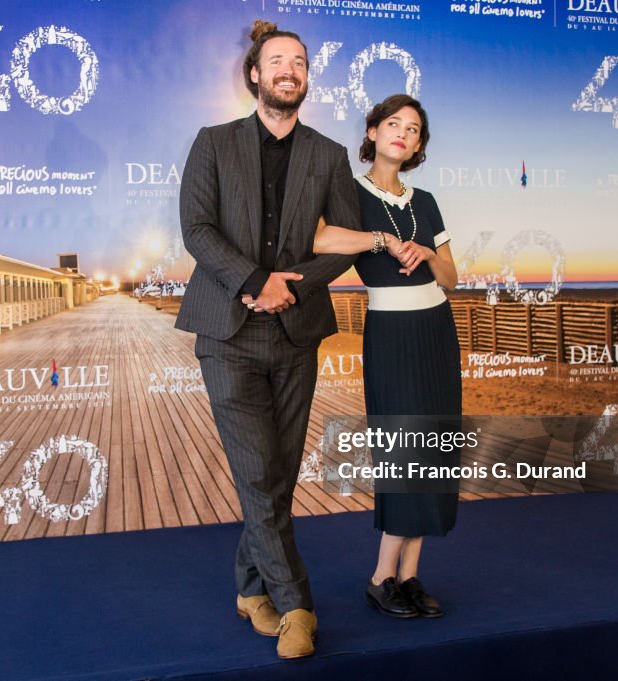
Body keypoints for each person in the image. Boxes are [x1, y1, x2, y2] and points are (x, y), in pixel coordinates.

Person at [176, 20, 361, 659]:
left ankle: (249, 588)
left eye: (300, 62)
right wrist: (256, 280)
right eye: (277, 60)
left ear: (306, 78)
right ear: (255, 74)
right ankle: (296, 605)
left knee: (275, 473)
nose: (289, 70)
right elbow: (196, 229)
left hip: (295, 332)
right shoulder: (213, 142)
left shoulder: (329, 154)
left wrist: (292, 286)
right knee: (258, 471)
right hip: (227, 330)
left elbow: (343, 240)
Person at [313, 94, 461, 619]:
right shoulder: (351, 192)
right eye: (393, 123)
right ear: (373, 132)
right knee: (403, 452)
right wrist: (378, 239)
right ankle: (380, 579)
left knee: (434, 449)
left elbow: (453, 277)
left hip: (436, 329)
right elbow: (322, 238)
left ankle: (410, 576)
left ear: (419, 145)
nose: (403, 133)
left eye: (414, 129)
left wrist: (426, 254)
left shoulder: (426, 201)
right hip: (392, 332)